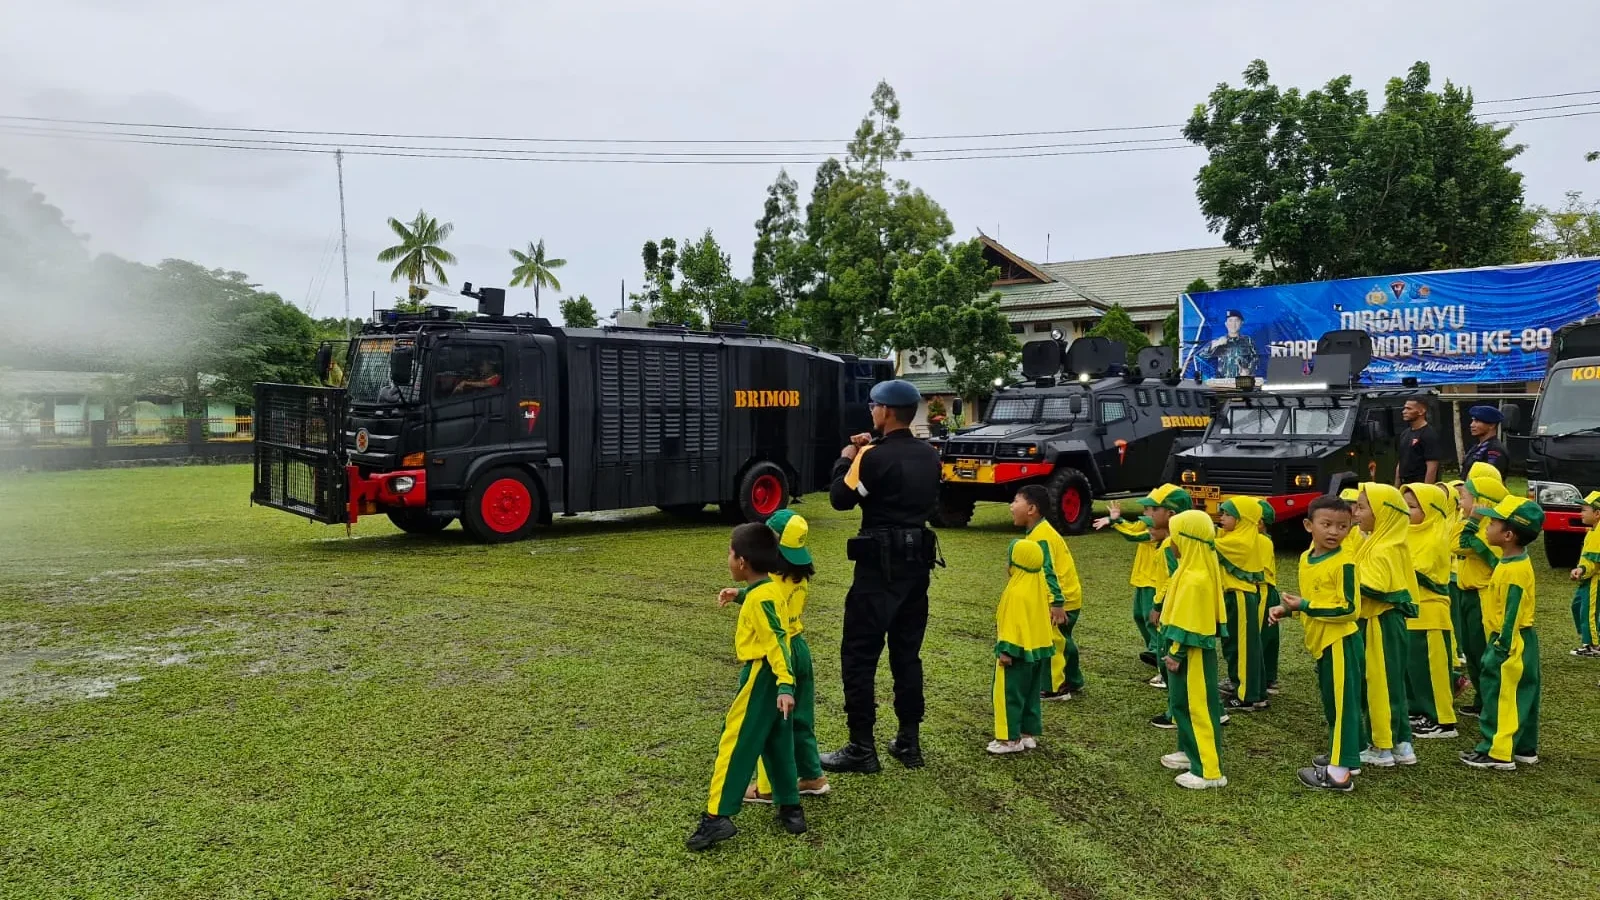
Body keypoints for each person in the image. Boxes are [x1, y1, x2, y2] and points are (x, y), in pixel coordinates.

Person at [820, 379, 942, 774]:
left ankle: (861, 747)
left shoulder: (870, 456)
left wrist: (847, 455)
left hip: (877, 570)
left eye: (873, 406)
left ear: (886, 411)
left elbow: (840, 498)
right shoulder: (930, 455)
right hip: (916, 568)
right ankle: (909, 741)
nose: (871, 411)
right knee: (906, 655)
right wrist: (868, 446)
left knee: (859, 655)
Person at [687, 524, 803, 851]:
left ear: (742, 562)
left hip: (763, 677)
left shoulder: (761, 599)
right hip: (772, 678)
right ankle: (791, 808)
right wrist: (739, 594)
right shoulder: (768, 589)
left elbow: (777, 641)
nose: (728, 558)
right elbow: (762, 602)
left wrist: (784, 684)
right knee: (777, 742)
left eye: (730, 553)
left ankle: (716, 817)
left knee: (735, 741)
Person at [1268, 495, 1363, 791]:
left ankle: (1339, 773)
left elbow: (1349, 609)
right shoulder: (1307, 557)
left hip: (1341, 641)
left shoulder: (1345, 562)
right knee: (1333, 703)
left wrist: (1305, 604)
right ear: (1309, 525)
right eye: (1327, 525)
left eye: (1343, 526)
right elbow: (1316, 598)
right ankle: (1346, 755)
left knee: (1343, 704)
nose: (1334, 532)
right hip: (1322, 641)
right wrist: (1289, 608)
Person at [747, 510, 830, 804]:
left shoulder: (769, 581)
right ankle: (813, 776)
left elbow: (766, 603)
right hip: (800, 649)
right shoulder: (799, 579)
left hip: (779, 655)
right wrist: (741, 594)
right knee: (801, 720)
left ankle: (766, 787)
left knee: (770, 723)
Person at [1460, 496, 1545, 771]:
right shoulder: (1511, 562)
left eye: (1494, 522)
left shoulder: (1514, 570)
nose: (1488, 524)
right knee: (1523, 693)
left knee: (1500, 694)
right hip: (1521, 640)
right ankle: (1523, 747)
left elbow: (1513, 610)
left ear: (1508, 535)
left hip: (1510, 641)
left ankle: (1495, 751)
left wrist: (1501, 645)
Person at [1155, 509, 1229, 790]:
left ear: (1186, 539)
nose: (1170, 542)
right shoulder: (1187, 570)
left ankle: (1208, 770)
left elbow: (1192, 624)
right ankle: (1189, 752)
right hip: (1182, 651)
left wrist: (1175, 653)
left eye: (1174, 536)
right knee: (1181, 704)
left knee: (1198, 707)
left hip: (1191, 654)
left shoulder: (1195, 578)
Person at [1351, 483, 1419, 768]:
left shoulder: (1382, 548)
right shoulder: (1384, 542)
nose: (1356, 512)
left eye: (1363, 507)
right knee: (1391, 683)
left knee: (1379, 683)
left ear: (1383, 513)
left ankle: (1382, 746)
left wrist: (1340, 585)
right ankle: (1401, 743)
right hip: (1386, 622)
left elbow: (1374, 586)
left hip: (1380, 623)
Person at [1006, 485, 1081, 702]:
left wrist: (1056, 603)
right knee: (1065, 639)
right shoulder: (1039, 532)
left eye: (1015, 501)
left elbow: (1048, 571)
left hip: (1061, 599)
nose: (1011, 507)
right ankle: (1074, 680)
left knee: (1052, 641)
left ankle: (1055, 689)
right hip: (1068, 597)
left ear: (1031, 509)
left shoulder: (1040, 537)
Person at [988, 538, 1057, 755]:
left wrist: (1006, 651)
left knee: (1010, 695)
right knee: (1031, 694)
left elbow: (1011, 622)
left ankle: (1009, 739)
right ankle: (1028, 734)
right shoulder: (1038, 586)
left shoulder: (1015, 591)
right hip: (1038, 652)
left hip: (1016, 654)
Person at [1403, 483, 1459, 739]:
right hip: (1411, 614)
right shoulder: (1405, 534)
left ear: (1432, 510)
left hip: (1431, 614)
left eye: (1413, 507)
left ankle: (1443, 720)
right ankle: (1419, 710)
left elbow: (1422, 573)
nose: (1406, 511)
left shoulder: (1436, 537)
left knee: (1433, 670)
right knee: (1413, 668)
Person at [1454, 467, 1508, 718]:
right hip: (1467, 594)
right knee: (1471, 650)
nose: (1460, 502)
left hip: (1482, 597)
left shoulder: (1490, 532)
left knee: (1482, 651)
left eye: (1465, 497)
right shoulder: (1471, 524)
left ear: (1481, 502)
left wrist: (1473, 520)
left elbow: (1458, 544)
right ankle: (1481, 697)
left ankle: (1489, 701)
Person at [1094, 501, 1167, 678]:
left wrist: (1113, 522)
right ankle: (1153, 649)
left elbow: (1133, 535)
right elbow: (1133, 527)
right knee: (1138, 615)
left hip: (1152, 581)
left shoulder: (1157, 532)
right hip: (1142, 579)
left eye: (1148, 509)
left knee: (1151, 619)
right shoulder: (1146, 523)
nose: (1144, 512)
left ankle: (1158, 652)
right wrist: (1116, 519)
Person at [1215, 497, 1267, 712]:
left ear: (1243, 519)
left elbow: (1210, 545)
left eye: (1228, 514)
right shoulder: (1234, 536)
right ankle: (1248, 687)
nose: (1222, 518)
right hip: (1234, 597)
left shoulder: (1239, 541)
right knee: (1236, 645)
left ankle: (1247, 696)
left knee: (1243, 648)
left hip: (1240, 597)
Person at [1569, 491, 1600, 658]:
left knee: (1589, 612)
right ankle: (1590, 639)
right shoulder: (1592, 530)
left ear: (1597, 513)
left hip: (1595, 580)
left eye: (1583, 510)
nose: (1580, 513)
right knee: (1577, 607)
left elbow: (1594, 562)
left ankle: (1593, 645)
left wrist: (1581, 569)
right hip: (1587, 578)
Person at [1257, 500, 1282, 696]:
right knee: (1267, 635)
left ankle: (1263, 679)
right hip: (1264, 592)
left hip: (1263, 592)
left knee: (1264, 636)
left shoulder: (1262, 541)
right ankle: (1267, 678)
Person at [1197, 309, 1261, 378]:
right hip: (1223, 382)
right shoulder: (1219, 341)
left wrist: (1249, 370)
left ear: (1241, 323)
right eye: (1230, 320)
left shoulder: (1248, 340)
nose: (1233, 324)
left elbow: (1256, 359)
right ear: (1226, 324)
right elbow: (1201, 356)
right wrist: (1215, 344)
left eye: (1236, 320)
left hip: (1242, 382)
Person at [1394, 399, 1443, 487]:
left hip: (1419, 485)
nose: (1404, 412)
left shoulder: (1429, 434)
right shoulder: (1405, 433)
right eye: (1404, 408)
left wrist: (1426, 490)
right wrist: (1397, 486)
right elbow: (1401, 461)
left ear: (1421, 411)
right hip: (1405, 485)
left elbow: (1432, 466)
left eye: (1409, 409)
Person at [1461, 406, 1511, 478]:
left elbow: (1490, 478)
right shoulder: (1478, 447)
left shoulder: (1495, 449)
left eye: (1477, 421)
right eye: (1472, 421)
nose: (1472, 425)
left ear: (1491, 425)